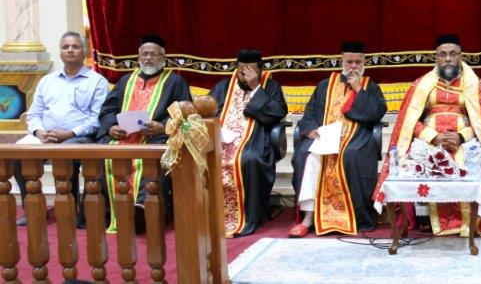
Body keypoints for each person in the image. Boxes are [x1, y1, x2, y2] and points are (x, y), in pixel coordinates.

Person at [372, 34, 481, 236]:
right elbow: (409, 122)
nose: (448, 59)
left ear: (460, 56)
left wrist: (461, 136)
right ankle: (430, 219)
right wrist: (433, 137)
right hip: (430, 141)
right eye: (443, 54)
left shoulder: (474, 85)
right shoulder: (421, 84)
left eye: (453, 54)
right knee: (421, 159)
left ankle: (470, 220)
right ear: (436, 57)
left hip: (465, 141)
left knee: (471, 158)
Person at [289, 42, 387, 237]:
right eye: (349, 61)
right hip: (323, 138)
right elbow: (309, 113)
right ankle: (308, 217)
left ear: (364, 62)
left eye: (357, 62)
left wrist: (358, 89)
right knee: (306, 156)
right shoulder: (325, 85)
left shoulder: (370, 86)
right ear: (342, 60)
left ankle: (353, 216)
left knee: (351, 156)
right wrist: (311, 129)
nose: (353, 66)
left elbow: (375, 113)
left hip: (355, 138)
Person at [96, 34, 192, 232]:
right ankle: (112, 211)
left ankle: (143, 209)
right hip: (123, 137)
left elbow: (186, 115)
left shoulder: (175, 82)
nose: (148, 58)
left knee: (155, 158)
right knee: (102, 156)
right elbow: (107, 111)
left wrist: (163, 127)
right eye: (144, 54)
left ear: (163, 58)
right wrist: (111, 127)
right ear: (139, 57)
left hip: (156, 138)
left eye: (153, 54)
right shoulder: (125, 81)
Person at [17, 31, 109, 228]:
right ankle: (34, 209)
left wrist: (68, 134)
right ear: (60, 52)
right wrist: (39, 132)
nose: (70, 50)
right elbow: (34, 114)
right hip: (45, 135)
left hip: (79, 136)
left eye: (75, 46)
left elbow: (96, 119)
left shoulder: (97, 81)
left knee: (66, 152)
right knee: (17, 156)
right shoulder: (47, 81)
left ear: (84, 52)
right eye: (65, 47)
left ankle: (71, 211)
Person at [209, 49, 288, 237]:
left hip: (254, 140)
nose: (245, 75)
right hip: (222, 140)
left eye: (250, 71)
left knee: (250, 159)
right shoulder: (223, 87)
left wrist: (255, 89)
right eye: (241, 70)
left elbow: (277, 113)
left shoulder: (270, 87)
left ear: (260, 70)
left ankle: (248, 216)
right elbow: (209, 111)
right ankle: (211, 216)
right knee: (204, 158)